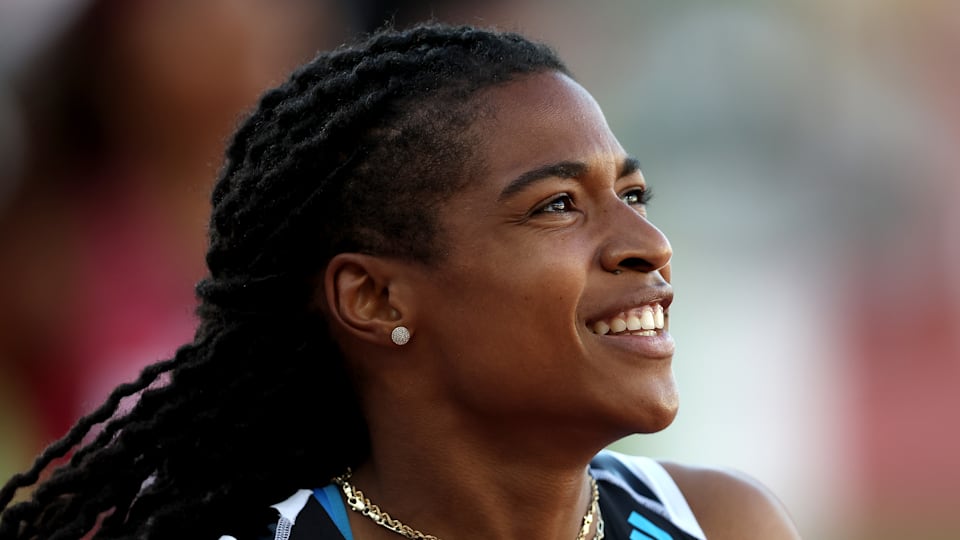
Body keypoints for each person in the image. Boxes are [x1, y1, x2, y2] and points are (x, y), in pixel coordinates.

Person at [0, 23, 802, 540]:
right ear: (375, 299)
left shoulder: (722, 523)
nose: (648, 246)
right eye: (558, 205)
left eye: (633, 195)